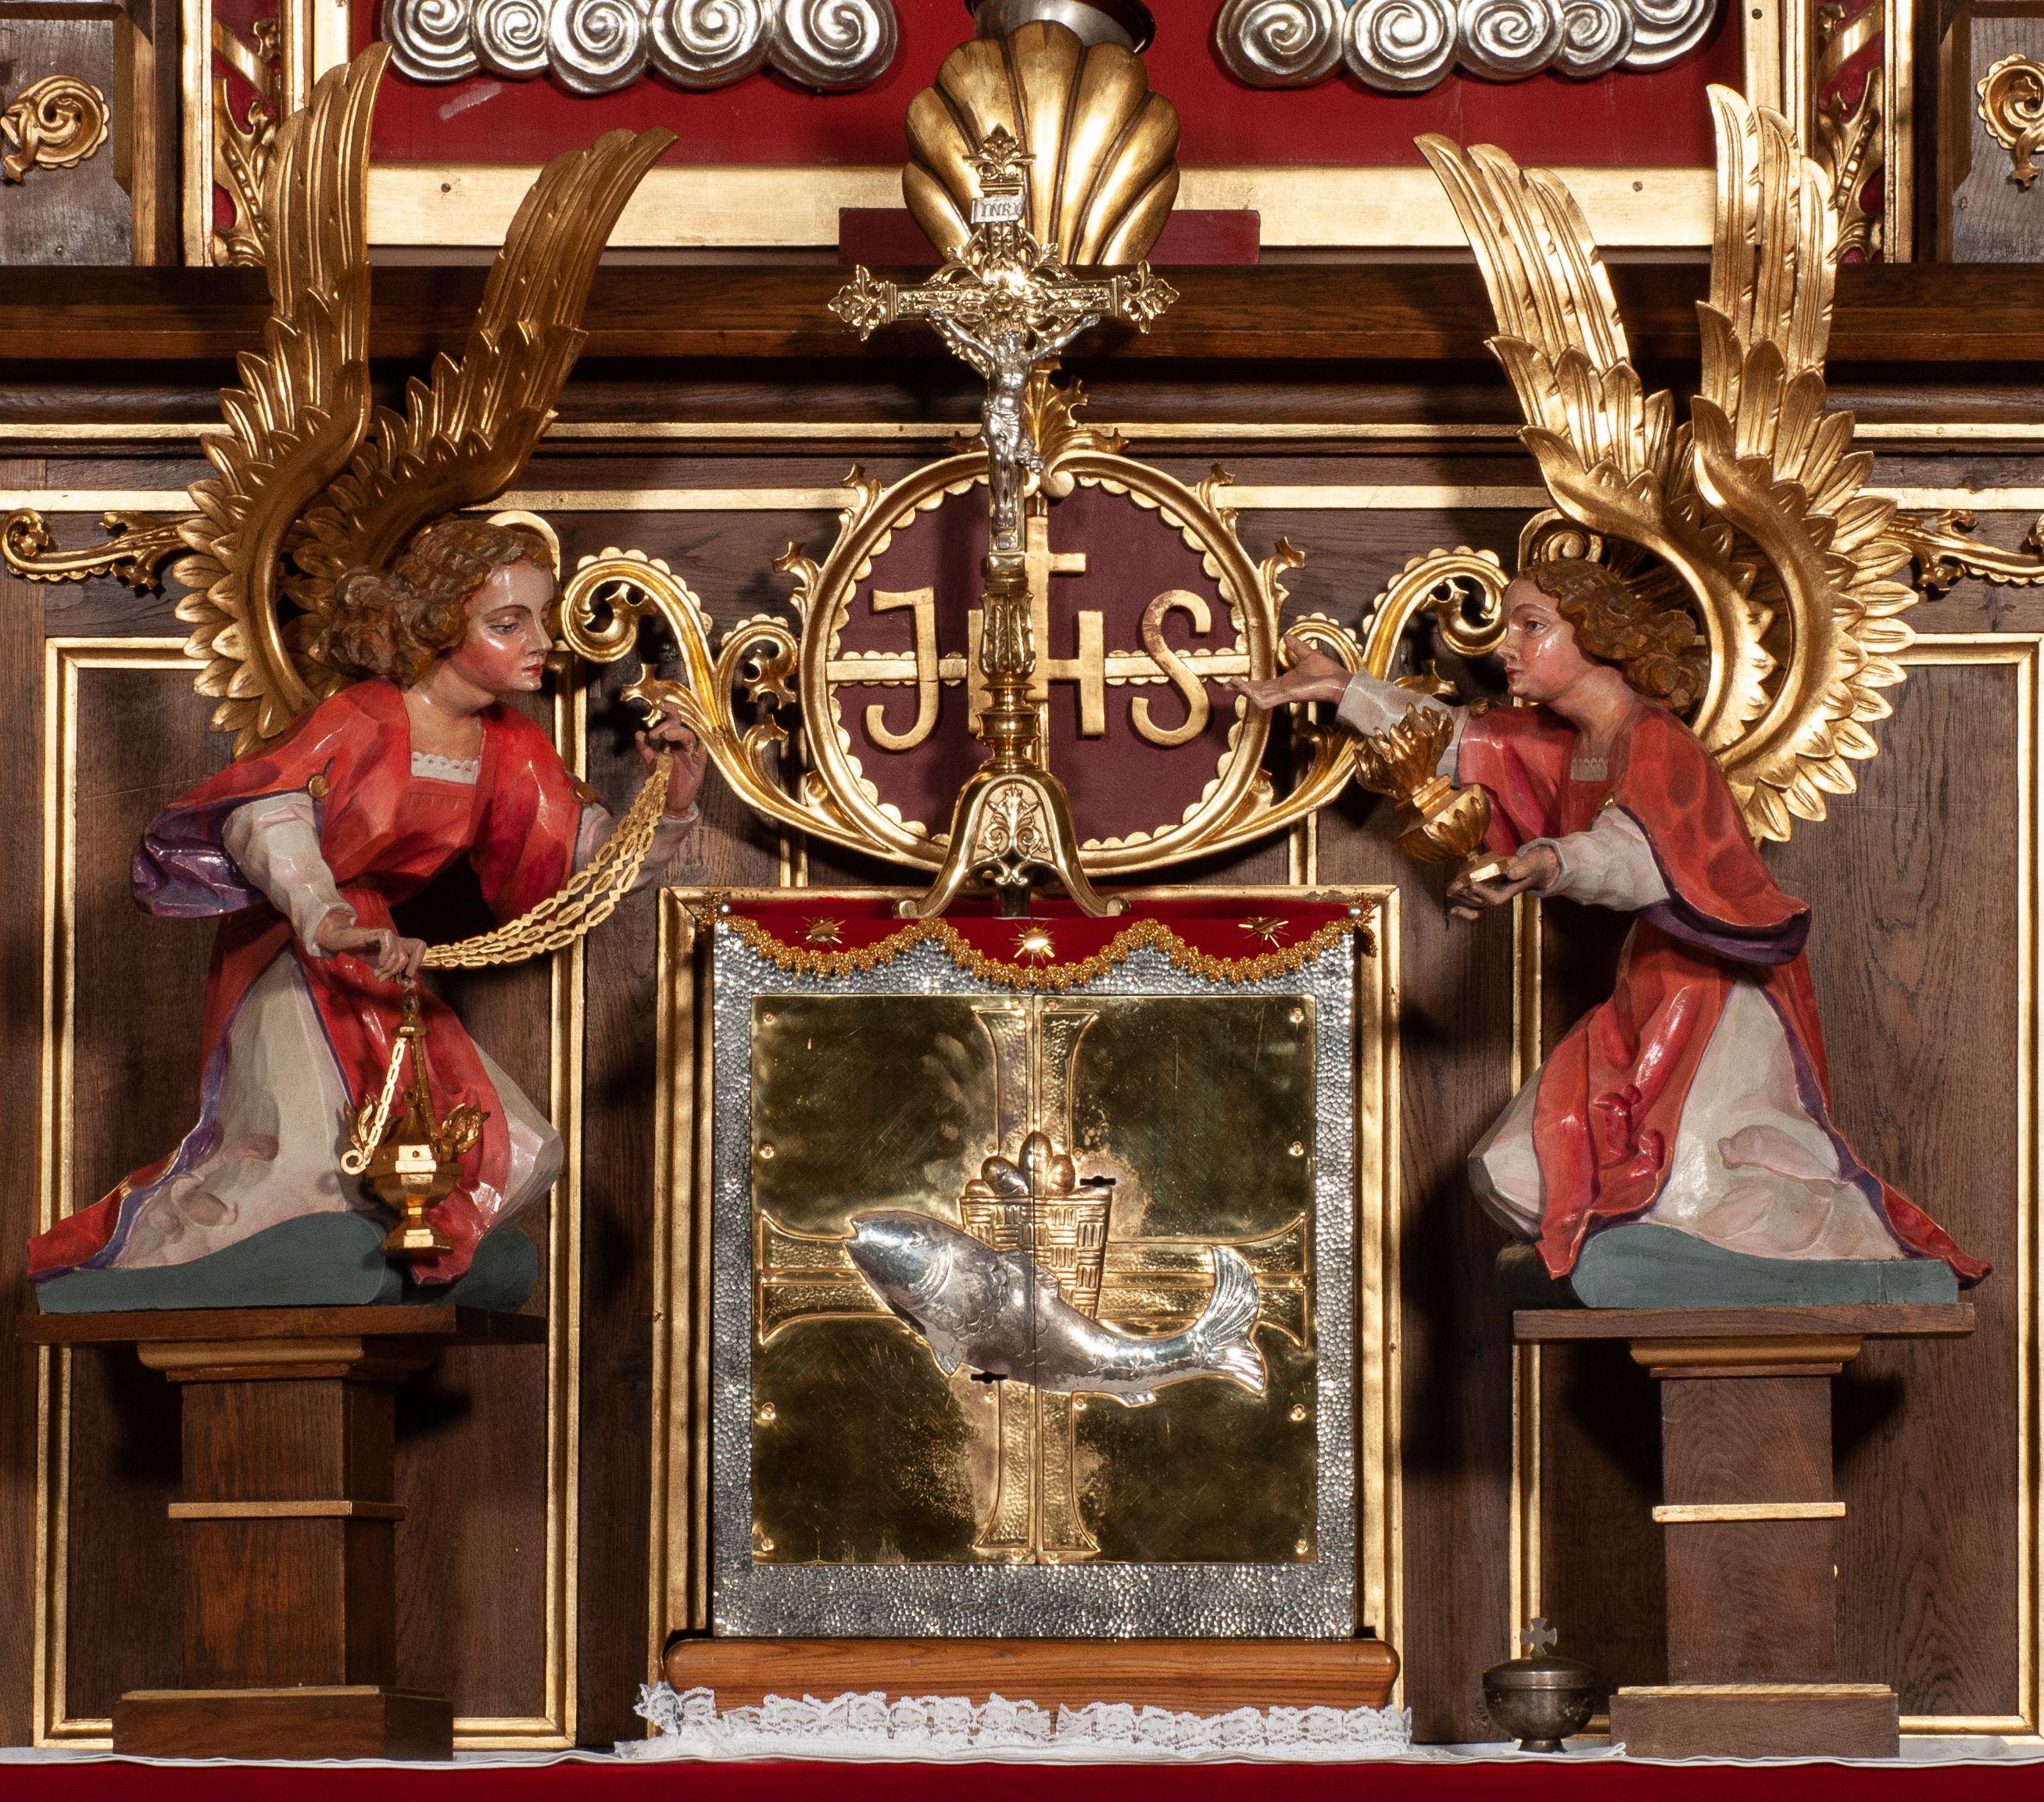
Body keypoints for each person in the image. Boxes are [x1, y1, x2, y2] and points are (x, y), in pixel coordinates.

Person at [1233, 559, 1984, 1286]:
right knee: (1512, 1169)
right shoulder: (1569, 742)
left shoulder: (1655, 742)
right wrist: (1342, 689)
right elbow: (1453, 737)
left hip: (1715, 993)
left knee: (1696, 1172)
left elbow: (1639, 853)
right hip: (1649, 981)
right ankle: (1705, 1234)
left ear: (1599, 635)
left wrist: (1544, 863)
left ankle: (1828, 1231)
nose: (1505, 646)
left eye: (1531, 626)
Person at [29, 518, 707, 1300]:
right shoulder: (364, 718)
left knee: (520, 1149)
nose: (540, 641)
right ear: (440, 626)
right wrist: (324, 914)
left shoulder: (510, 746)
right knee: (303, 1162)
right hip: (295, 950)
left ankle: (397, 1251)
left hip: (381, 954)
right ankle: (158, 1255)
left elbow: (587, 866)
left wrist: (670, 806)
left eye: (542, 619)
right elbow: (268, 813)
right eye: (508, 623)